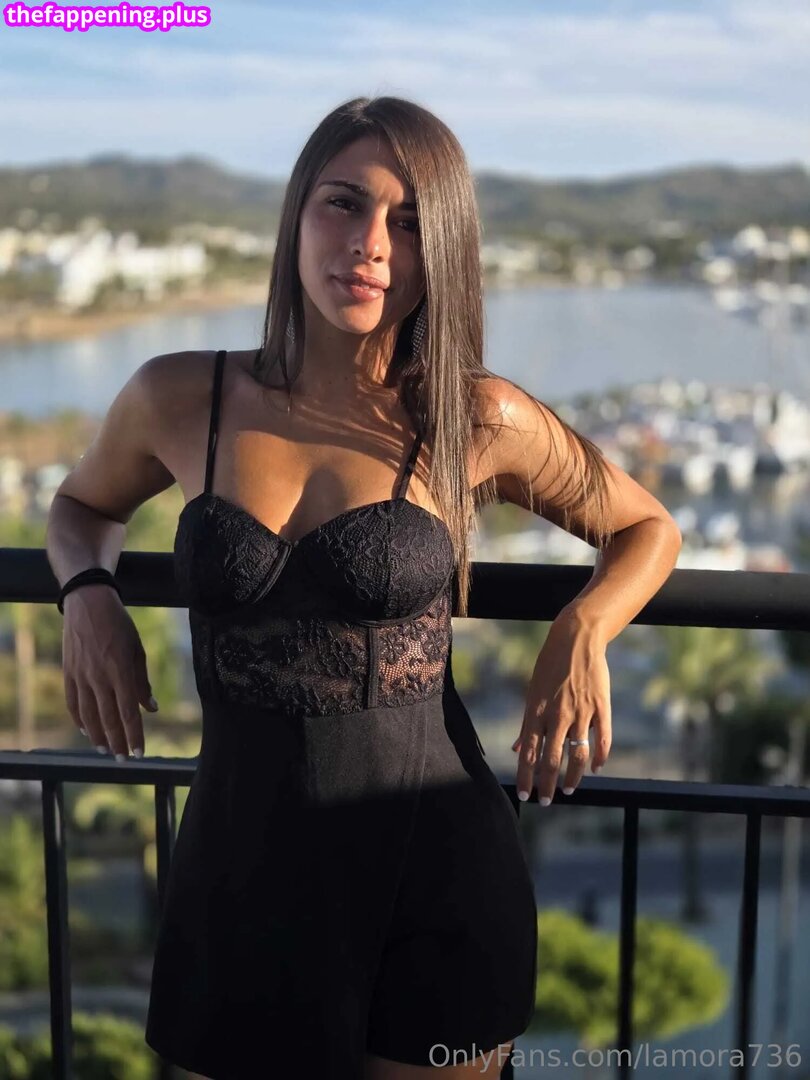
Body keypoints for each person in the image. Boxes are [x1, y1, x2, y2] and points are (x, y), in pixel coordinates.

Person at [46, 95, 682, 1079]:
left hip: (436, 873)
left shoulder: (476, 416)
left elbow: (646, 527)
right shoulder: (178, 397)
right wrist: (87, 593)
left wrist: (584, 627)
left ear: (443, 251)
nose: (371, 244)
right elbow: (80, 505)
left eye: (410, 222)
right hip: (241, 874)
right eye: (344, 203)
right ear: (298, 215)